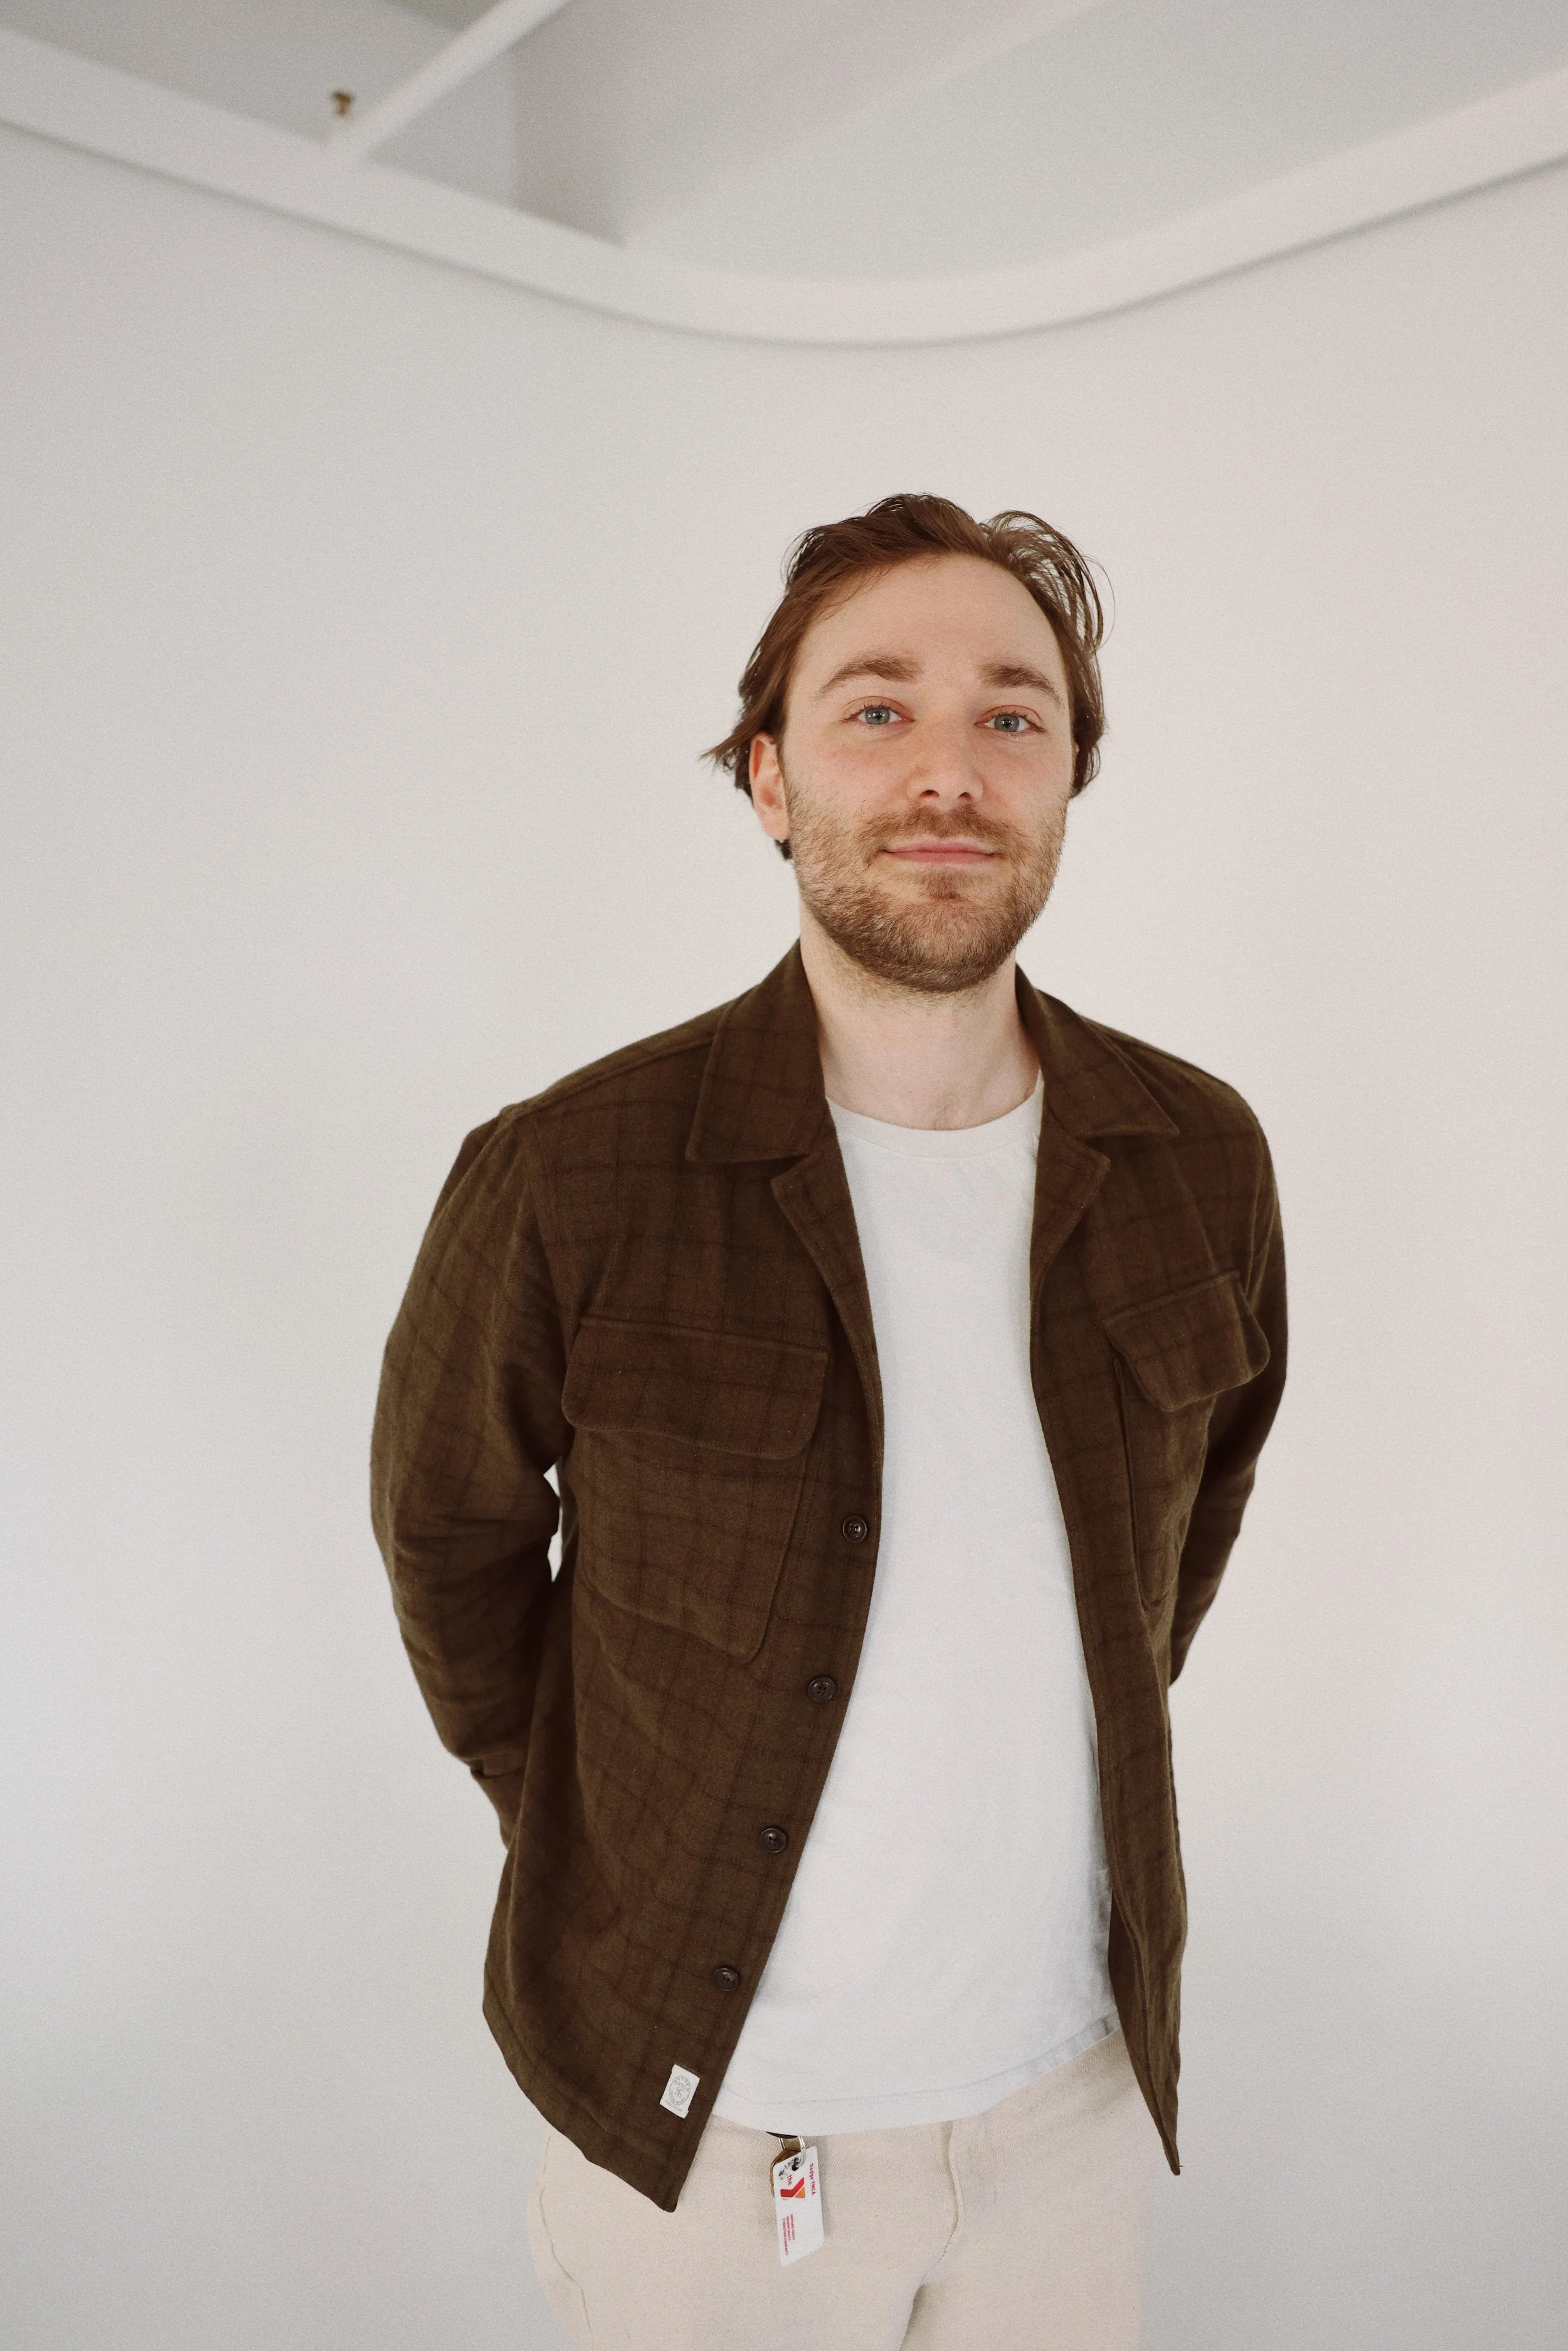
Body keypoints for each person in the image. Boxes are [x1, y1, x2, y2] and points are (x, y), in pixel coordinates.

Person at [371, 493, 1287, 2348]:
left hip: (1073, 2101)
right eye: (875, 708)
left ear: (1065, 784)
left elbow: (1194, 1511)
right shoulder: (572, 1173)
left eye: (1011, 714)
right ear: (771, 780)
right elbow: (452, 1543)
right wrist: (608, 1826)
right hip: (711, 2134)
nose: (948, 766)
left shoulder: (1200, 1155)